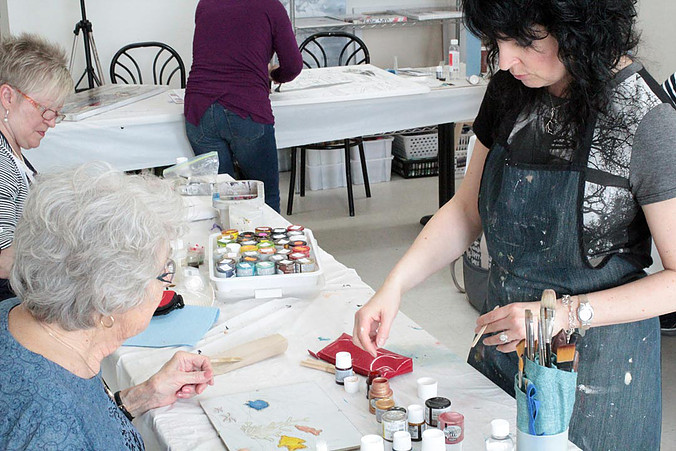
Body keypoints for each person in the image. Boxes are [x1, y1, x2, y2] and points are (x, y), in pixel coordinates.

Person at [353, 0, 676, 449]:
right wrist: (395, 285)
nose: (505, 60)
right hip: (504, 352)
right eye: (497, 42)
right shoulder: (510, 90)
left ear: (580, 26)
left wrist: (557, 316)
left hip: (601, 374)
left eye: (524, 40)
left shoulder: (645, 119)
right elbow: (468, 210)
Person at [0, 162, 215, 449]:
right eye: (163, 273)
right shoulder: (49, 426)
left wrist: (144, 395)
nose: (168, 286)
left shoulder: (22, 315)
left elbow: (91, 423)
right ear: (109, 298)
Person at [184, 0, 303, 213]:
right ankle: (266, 245)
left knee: (222, 200)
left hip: (199, 109)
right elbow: (293, 65)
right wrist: (274, 75)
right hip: (247, 109)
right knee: (264, 197)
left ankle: (227, 243)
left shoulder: (205, 4)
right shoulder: (270, 6)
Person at [0, 33, 73, 301]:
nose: (52, 121)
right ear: (8, 97)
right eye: (45, 109)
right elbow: (3, 259)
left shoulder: (12, 148)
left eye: (56, 112)